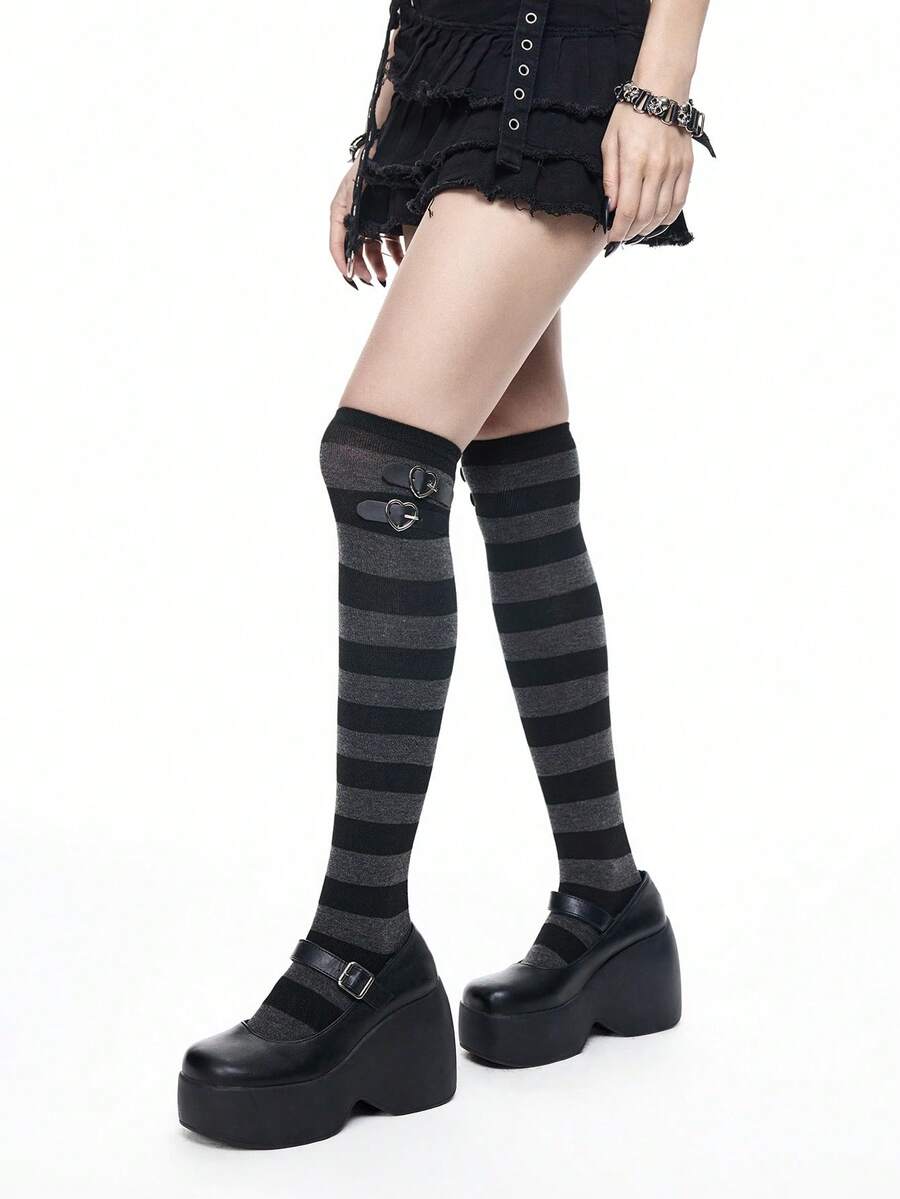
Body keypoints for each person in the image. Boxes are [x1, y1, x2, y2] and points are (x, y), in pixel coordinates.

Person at [178, 0, 712, 1148]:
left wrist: (661, 84)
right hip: (453, 60)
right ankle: (609, 903)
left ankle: (361, 945)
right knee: (515, 466)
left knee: (381, 465)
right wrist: (386, 120)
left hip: (562, 50)